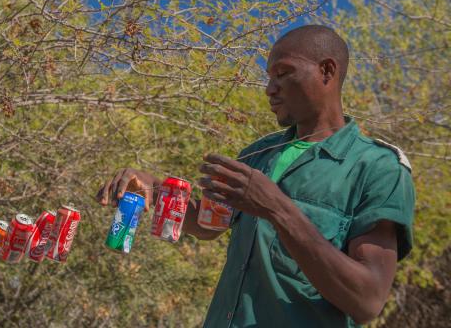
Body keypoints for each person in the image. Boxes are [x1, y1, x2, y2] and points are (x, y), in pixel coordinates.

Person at [95, 25, 415, 327]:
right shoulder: (258, 154)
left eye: (282, 73)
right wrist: (156, 188)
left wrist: (277, 208)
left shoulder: (377, 167)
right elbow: (209, 224)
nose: (269, 89)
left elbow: (368, 300)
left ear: (327, 71)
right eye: (268, 77)